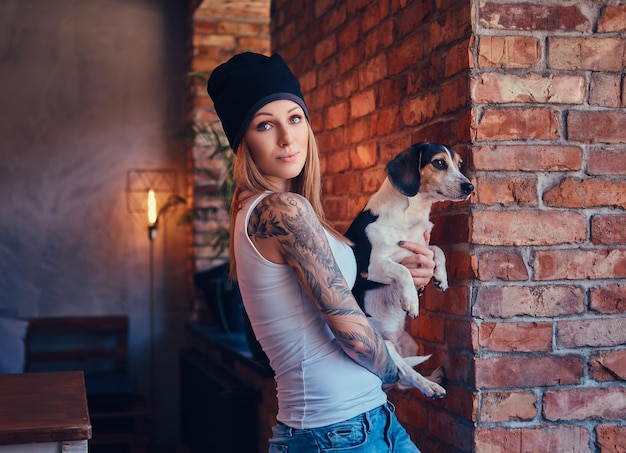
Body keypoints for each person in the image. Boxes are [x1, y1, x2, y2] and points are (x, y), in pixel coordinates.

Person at [207, 52, 436, 452]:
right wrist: (395, 370)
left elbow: (358, 301)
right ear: (242, 141)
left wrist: (415, 276)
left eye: (294, 118)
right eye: (265, 124)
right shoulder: (280, 211)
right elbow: (353, 332)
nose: (286, 137)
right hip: (336, 434)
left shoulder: (297, 210)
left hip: (366, 422)